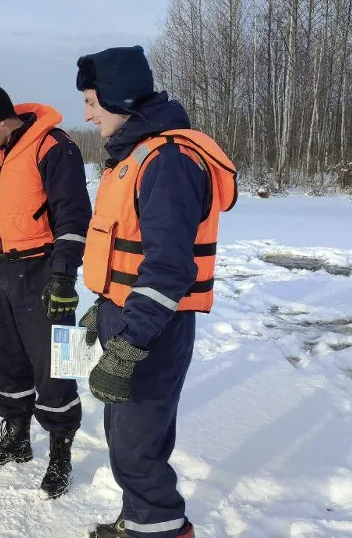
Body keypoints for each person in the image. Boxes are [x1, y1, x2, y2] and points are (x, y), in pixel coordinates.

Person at [75, 46, 237, 538]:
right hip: (127, 315)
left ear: (119, 97)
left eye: (92, 100)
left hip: (151, 329)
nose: (87, 112)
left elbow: (169, 267)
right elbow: (127, 249)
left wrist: (129, 343)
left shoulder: (167, 161)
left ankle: (162, 530)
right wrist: (102, 304)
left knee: (137, 447)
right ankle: (143, 522)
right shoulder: (136, 156)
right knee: (126, 439)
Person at [0, 81, 93, 499]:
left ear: (3, 119)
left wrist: (64, 276)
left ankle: (60, 452)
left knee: (59, 364)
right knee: (3, 360)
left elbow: (74, 216)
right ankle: (16, 437)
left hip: (43, 270)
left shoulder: (53, 147)